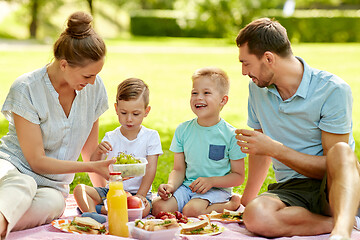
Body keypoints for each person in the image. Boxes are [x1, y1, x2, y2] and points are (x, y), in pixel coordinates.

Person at [234, 17, 360, 240]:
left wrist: (276, 149)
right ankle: (344, 221)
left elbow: (334, 164)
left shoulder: (332, 90)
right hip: (292, 189)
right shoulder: (257, 90)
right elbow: (260, 150)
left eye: (246, 63)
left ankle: (341, 233)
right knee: (255, 215)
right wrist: (245, 203)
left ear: (269, 58)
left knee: (341, 150)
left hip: (334, 184)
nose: (244, 72)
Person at [0, 11, 115, 239]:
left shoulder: (93, 87)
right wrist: (92, 167)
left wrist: (107, 196)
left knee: (54, 205)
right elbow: (37, 162)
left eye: (95, 76)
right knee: (23, 184)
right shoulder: (27, 89)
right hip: (11, 170)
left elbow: (90, 153)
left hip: (52, 186)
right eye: (87, 76)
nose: (92, 82)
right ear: (64, 65)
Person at [152, 67, 246, 218]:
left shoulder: (231, 135)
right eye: (194, 93)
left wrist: (211, 181)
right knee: (158, 207)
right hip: (188, 187)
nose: (198, 97)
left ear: (223, 100)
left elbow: (238, 176)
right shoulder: (183, 130)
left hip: (217, 189)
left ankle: (231, 204)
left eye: (206, 93)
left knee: (191, 211)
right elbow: (178, 169)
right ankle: (193, 204)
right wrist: (170, 186)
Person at [73, 78, 163, 218]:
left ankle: (99, 210)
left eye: (135, 114)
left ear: (146, 111)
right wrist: (98, 151)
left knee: (142, 210)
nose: (129, 119)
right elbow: (94, 164)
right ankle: (93, 213)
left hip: (137, 193)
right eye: (123, 113)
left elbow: (151, 169)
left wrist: (141, 194)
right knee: (80, 190)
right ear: (116, 109)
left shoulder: (151, 136)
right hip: (112, 192)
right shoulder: (111, 137)